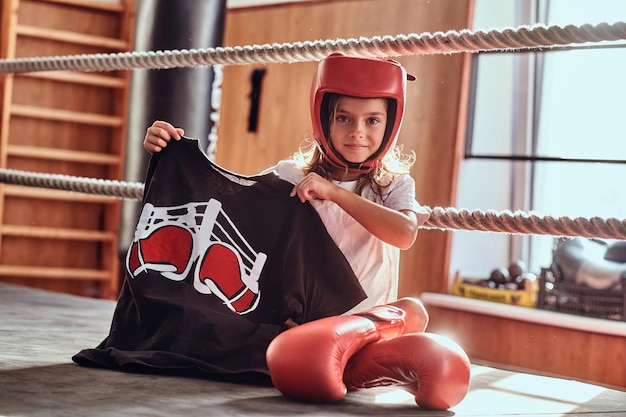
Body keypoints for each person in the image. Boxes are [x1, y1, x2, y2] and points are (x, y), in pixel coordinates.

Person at [143, 52, 431, 318]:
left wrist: (334, 193)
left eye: (372, 121)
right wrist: (170, 150)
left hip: (365, 322)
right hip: (308, 323)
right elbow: (230, 200)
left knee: (413, 312)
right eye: (344, 118)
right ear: (324, 119)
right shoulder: (292, 175)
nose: (358, 132)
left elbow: (404, 234)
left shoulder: (393, 184)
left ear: (389, 124)